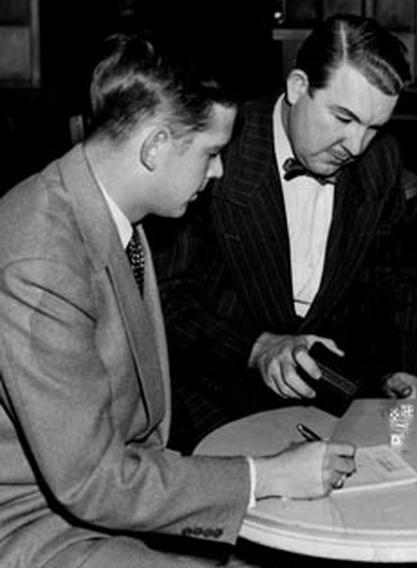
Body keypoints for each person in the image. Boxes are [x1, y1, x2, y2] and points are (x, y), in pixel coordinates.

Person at [0, 33, 356, 568]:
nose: (217, 172)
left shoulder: (112, 214)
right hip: (33, 529)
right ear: (156, 146)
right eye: (211, 153)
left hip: (96, 515)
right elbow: (93, 482)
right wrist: (266, 475)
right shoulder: (40, 260)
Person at [150, 14, 417, 453]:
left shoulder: (381, 162)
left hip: (332, 393)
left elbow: (395, 281)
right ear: (298, 86)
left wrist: (400, 368)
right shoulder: (218, 150)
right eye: (342, 118)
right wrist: (259, 347)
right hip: (213, 387)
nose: (355, 147)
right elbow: (165, 296)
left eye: (373, 128)